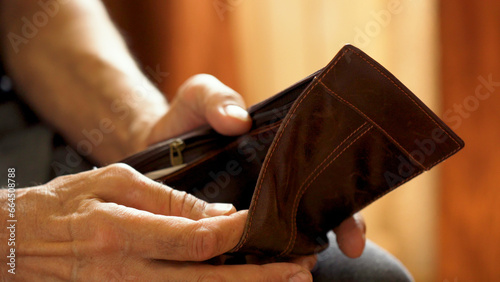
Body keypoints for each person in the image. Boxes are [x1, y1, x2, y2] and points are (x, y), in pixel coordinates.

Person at [0, 0, 413, 280]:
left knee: (364, 276)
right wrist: (16, 239)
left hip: (25, 143)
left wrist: (148, 142)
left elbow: (31, 14)